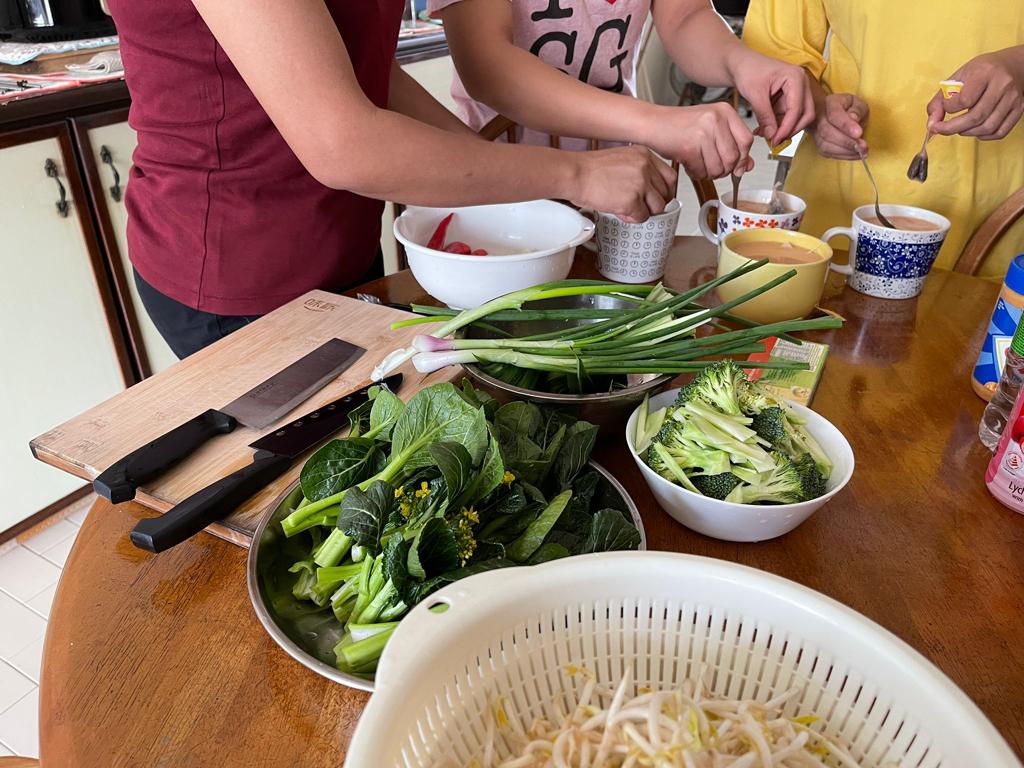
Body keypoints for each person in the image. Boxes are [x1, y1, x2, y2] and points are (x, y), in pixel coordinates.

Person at [105, 0, 676, 358]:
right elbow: (343, 146)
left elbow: (364, 73)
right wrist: (576, 174)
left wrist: (499, 182)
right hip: (234, 267)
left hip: (336, 244)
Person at [743, 0, 1024, 278]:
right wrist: (818, 110)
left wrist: (1019, 64)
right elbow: (771, 53)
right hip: (836, 218)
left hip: (999, 220)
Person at [429, 0, 816, 180]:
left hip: (617, 173)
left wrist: (742, 63)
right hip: (498, 175)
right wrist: (654, 122)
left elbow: (685, 15)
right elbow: (486, 63)